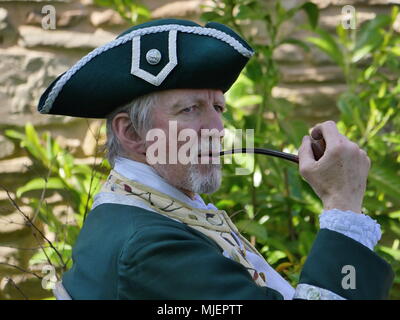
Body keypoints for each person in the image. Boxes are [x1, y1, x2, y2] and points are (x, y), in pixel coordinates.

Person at [38, 18, 393, 300]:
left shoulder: (158, 211)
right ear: (131, 133)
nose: (217, 129)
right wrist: (343, 206)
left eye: (218, 108)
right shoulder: (149, 246)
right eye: (190, 109)